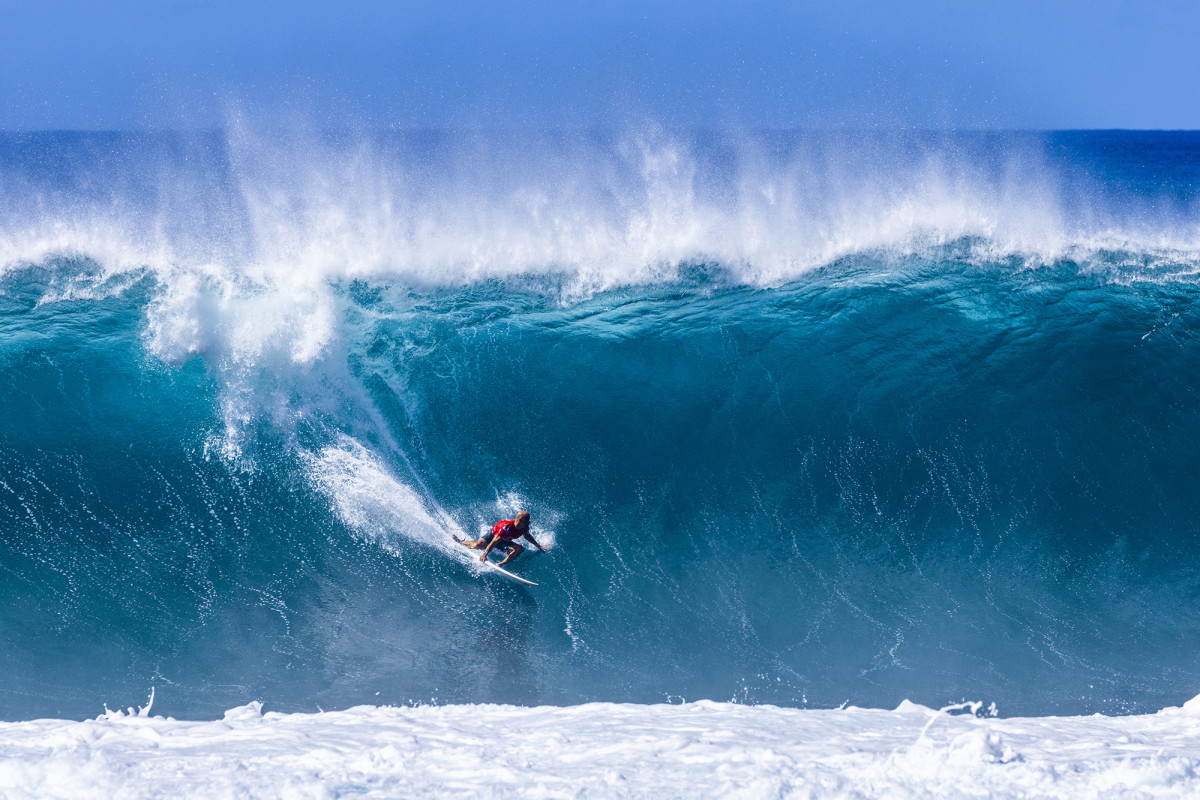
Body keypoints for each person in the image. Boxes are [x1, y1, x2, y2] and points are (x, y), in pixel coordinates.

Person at [457, 510, 544, 567]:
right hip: (492, 536)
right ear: (520, 520)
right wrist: (484, 554)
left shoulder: (524, 528)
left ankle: (499, 565)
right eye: (527, 519)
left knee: (520, 549)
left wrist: (538, 546)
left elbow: (527, 536)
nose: (529, 521)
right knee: (477, 545)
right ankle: (460, 542)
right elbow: (493, 541)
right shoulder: (506, 528)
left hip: (504, 541)